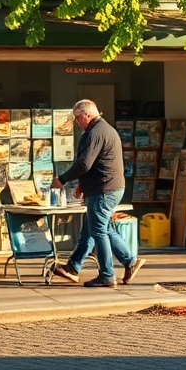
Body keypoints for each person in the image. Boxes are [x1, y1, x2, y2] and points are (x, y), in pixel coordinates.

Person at [50, 99, 146, 288]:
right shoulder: (102, 129)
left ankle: (107, 275)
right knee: (95, 228)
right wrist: (83, 186)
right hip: (106, 187)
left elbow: (84, 163)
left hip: (104, 189)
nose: (76, 122)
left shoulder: (95, 132)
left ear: (87, 114)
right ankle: (124, 262)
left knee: (98, 230)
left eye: (77, 118)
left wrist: (62, 179)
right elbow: (94, 164)